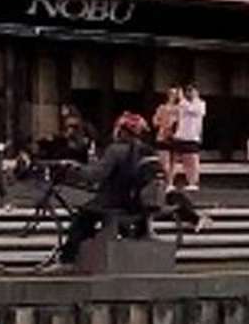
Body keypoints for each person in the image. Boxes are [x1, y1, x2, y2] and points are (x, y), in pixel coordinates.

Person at [60, 113, 160, 266]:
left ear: (122, 131)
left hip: (114, 201)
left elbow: (96, 175)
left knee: (82, 218)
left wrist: (75, 169)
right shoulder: (147, 150)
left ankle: (67, 260)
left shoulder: (116, 150)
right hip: (136, 203)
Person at [174, 84, 207, 191]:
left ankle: (194, 181)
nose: (190, 93)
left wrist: (182, 99)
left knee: (193, 159)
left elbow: (193, 110)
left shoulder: (200, 104)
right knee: (185, 160)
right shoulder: (182, 104)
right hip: (183, 135)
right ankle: (189, 180)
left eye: (192, 91)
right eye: (188, 91)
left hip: (193, 136)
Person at [152, 87, 182, 188]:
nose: (173, 96)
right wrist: (163, 123)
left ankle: (170, 182)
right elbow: (155, 121)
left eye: (175, 94)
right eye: (171, 93)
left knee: (174, 161)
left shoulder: (180, 109)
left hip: (176, 136)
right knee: (164, 161)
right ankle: (168, 181)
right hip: (163, 136)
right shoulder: (162, 108)